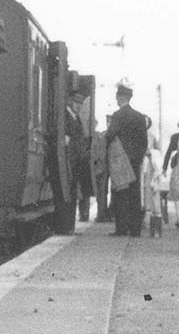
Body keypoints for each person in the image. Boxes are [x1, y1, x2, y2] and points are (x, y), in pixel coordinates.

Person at [104, 80, 149, 237]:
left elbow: (110, 135)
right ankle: (135, 229)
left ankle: (121, 229)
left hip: (120, 160)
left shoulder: (117, 116)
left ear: (119, 98)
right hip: (135, 160)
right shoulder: (139, 117)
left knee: (120, 193)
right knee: (135, 194)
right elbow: (144, 141)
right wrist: (138, 157)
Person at [65, 89, 93, 222]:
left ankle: (70, 224)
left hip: (76, 162)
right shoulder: (66, 116)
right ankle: (67, 225)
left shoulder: (76, 118)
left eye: (80, 103)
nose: (78, 105)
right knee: (70, 193)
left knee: (74, 193)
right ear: (70, 101)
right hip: (69, 161)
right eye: (76, 102)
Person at [141, 117, 166, 237]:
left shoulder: (151, 136)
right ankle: (142, 221)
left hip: (150, 167)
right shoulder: (136, 135)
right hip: (140, 166)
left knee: (153, 193)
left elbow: (157, 151)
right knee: (142, 193)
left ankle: (155, 228)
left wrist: (152, 154)